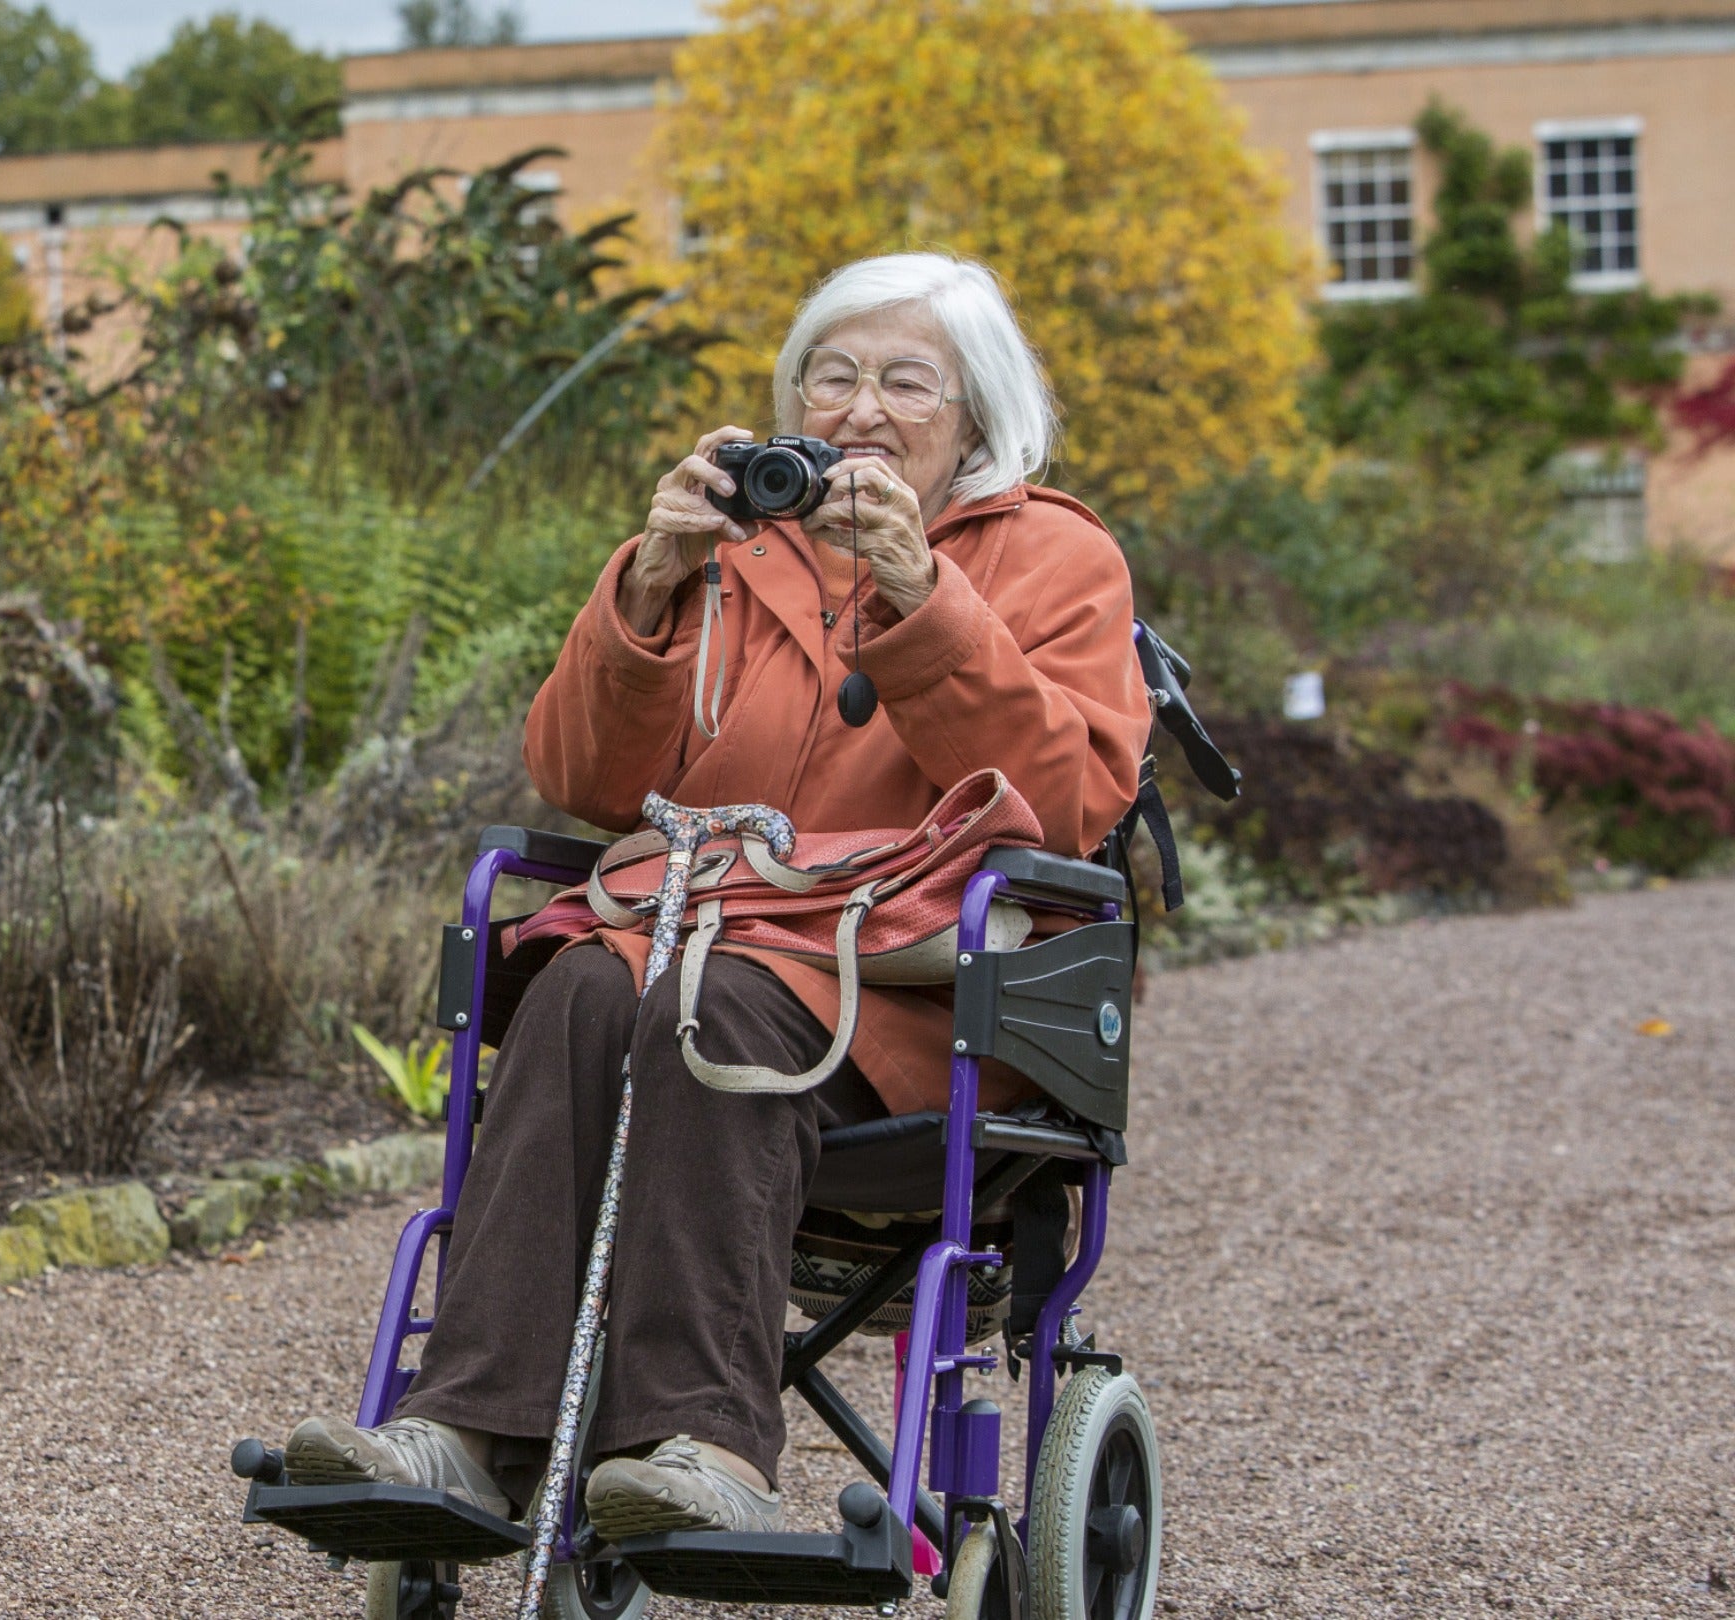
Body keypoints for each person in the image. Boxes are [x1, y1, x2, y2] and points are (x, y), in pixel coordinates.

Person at [276, 253, 1153, 1538]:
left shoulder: (1056, 558)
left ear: (976, 416)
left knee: (712, 1000)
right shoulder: (741, 546)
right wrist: (649, 585)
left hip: (916, 990)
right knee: (580, 982)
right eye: (831, 375)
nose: (859, 408)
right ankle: (465, 1429)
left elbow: (1070, 802)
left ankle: (704, 1450)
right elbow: (584, 777)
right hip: (695, 939)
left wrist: (922, 600)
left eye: (907, 380)